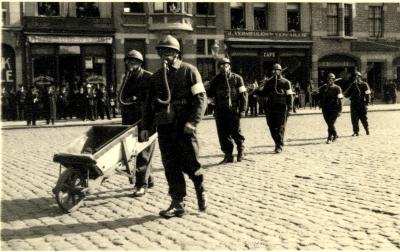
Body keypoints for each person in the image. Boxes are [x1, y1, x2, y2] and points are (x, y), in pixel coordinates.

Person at [141, 35, 207, 218]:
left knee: (191, 164)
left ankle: (200, 188)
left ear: (177, 54)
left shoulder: (189, 71)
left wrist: (193, 122)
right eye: (162, 52)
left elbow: (201, 99)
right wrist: (146, 126)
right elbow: (148, 104)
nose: (165, 55)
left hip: (184, 127)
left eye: (169, 52)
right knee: (171, 166)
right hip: (165, 127)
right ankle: (177, 202)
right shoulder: (155, 78)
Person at [119, 49, 155, 197]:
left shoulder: (148, 77)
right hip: (130, 120)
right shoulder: (127, 78)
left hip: (145, 120)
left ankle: (141, 184)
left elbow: (151, 99)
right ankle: (149, 178)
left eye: (134, 62)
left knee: (143, 152)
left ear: (140, 63)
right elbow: (122, 96)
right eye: (128, 62)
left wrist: (135, 99)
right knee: (134, 151)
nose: (131, 64)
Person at [208, 57, 247, 163]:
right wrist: (211, 102)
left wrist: (243, 109)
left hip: (233, 110)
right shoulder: (215, 80)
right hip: (220, 110)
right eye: (221, 66)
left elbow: (243, 95)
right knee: (223, 134)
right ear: (219, 68)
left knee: (235, 132)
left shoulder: (237, 78)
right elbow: (210, 95)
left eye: (226, 65)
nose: (224, 68)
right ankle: (228, 155)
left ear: (229, 66)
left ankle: (240, 151)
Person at [256, 63, 294, 153]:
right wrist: (256, 91)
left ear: (280, 71)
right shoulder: (269, 82)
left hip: (281, 107)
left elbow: (290, 96)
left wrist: (290, 108)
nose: (275, 72)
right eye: (274, 70)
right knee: (271, 126)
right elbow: (264, 93)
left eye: (277, 70)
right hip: (270, 107)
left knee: (280, 127)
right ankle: (278, 142)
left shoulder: (286, 82)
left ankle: (279, 145)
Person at [344, 71, 371, 136]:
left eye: (358, 76)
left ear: (360, 77)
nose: (356, 78)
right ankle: (356, 132)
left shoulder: (365, 84)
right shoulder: (352, 85)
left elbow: (368, 95)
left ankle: (367, 129)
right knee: (354, 119)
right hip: (354, 104)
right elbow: (347, 94)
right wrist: (346, 91)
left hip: (362, 104)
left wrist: (367, 104)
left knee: (363, 118)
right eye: (355, 77)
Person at [319, 73, 343, 144]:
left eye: (332, 79)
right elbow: (321, 97)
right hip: (325, 109)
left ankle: (330, 137)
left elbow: (340, 100)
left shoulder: (337, 88)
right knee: (329, 124)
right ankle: (335, 134)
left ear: (334, 80)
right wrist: (316, 94)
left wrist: (340, 110)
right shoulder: (324, 87)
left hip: (334, 108)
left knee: (330, 124)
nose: (330, 80)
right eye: (329, 79)